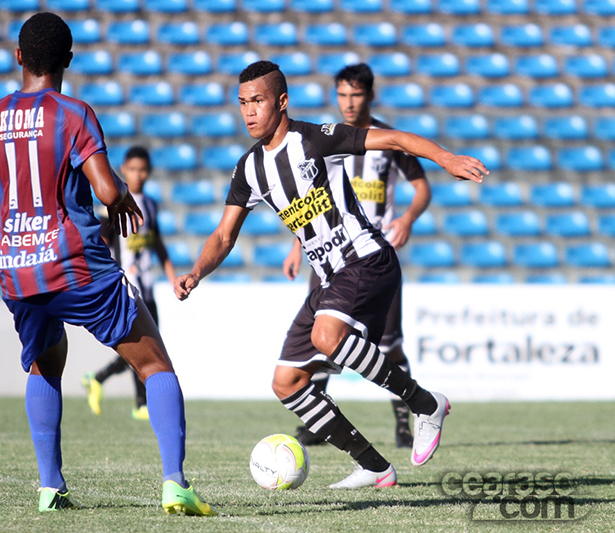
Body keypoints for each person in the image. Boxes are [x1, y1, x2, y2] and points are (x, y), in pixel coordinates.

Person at [174, 61, 486, 490]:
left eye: (258, 101)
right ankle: (375, 466)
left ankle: (425, 403)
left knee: (327, 337)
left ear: (281, 102)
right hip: (326, 278)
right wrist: (196, 271)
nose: (248, 112)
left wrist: (446, 158)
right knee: (287, 383)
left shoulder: (315, 139)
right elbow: (224, 235)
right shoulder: (248, 169)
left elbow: (393, 138)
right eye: (242, 103)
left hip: (365, 260)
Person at [0, 12, 215, 516]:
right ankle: (175, 484)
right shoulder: (72, 113)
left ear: (18, 58)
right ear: (69, 61)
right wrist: (119, 196)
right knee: (154, 364)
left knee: (44, 365)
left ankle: (50, 487)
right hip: (74, 263)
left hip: (18, 269)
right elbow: (105, 189)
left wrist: (12, 237)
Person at [282, 63, 431, 450]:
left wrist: (409, 218)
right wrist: (297, 245)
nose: (348, 103)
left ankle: (405, 417)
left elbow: (422, 189)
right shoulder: (325, 142)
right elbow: (309, 202)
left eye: (356, 95)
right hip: (328, 256)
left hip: (373, 254)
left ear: (370, 96)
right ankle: (319, 421)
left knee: (389, 344)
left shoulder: (384, 141)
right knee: (320, 339)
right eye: (342, 95)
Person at [82, 146, 177, 421]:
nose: (138, 175)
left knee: (149, 348)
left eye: (143, 170)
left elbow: (157, 242)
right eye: (133, 169)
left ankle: (99, 378)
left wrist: (171, 274)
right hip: (127, 287)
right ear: (124, 170)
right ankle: (141, 403)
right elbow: (102, 244)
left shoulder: (149, 205)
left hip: (148, 287)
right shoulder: (113, 203)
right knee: (143, 346)